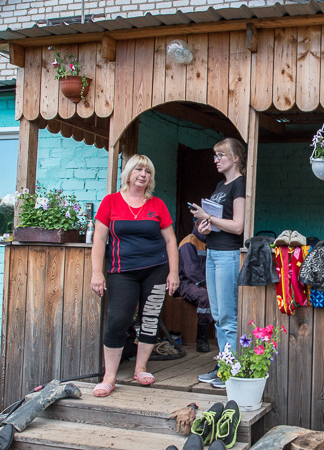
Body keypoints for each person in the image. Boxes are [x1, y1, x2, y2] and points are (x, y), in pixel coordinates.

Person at [90, 154, 179, 395]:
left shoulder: (157, 205)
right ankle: (109, 376)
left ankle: (140, 368)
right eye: (139, 169)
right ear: (128, 173)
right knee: (118, 319)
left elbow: (170, 240)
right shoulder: (111, 202)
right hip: (122, 271)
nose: (143, 174)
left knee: (150, 318)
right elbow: (99, 239)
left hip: (156, 269)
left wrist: (173, 272)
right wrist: (97, 273)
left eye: (147, 171)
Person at [190, 138, 246, 386]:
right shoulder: (219, 186)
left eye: (221, 155)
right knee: (217, 314)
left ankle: (231, 369)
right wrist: (205, 225)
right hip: (212, 252)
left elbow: (238, 226)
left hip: (228, 255)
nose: (216, 159)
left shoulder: (239, 184)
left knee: (227, 316)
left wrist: (208, 217)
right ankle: (224, 365)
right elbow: (217, 223)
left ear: (235, 158)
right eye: (214, 156)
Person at [177, 232, 213, 353]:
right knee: (205, 296)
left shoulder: (211, 241)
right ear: (196, 223)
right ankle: (201, 339)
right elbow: (191, 271)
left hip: (204, 282)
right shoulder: (189, 242)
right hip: (186, 282)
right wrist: (207, 285)